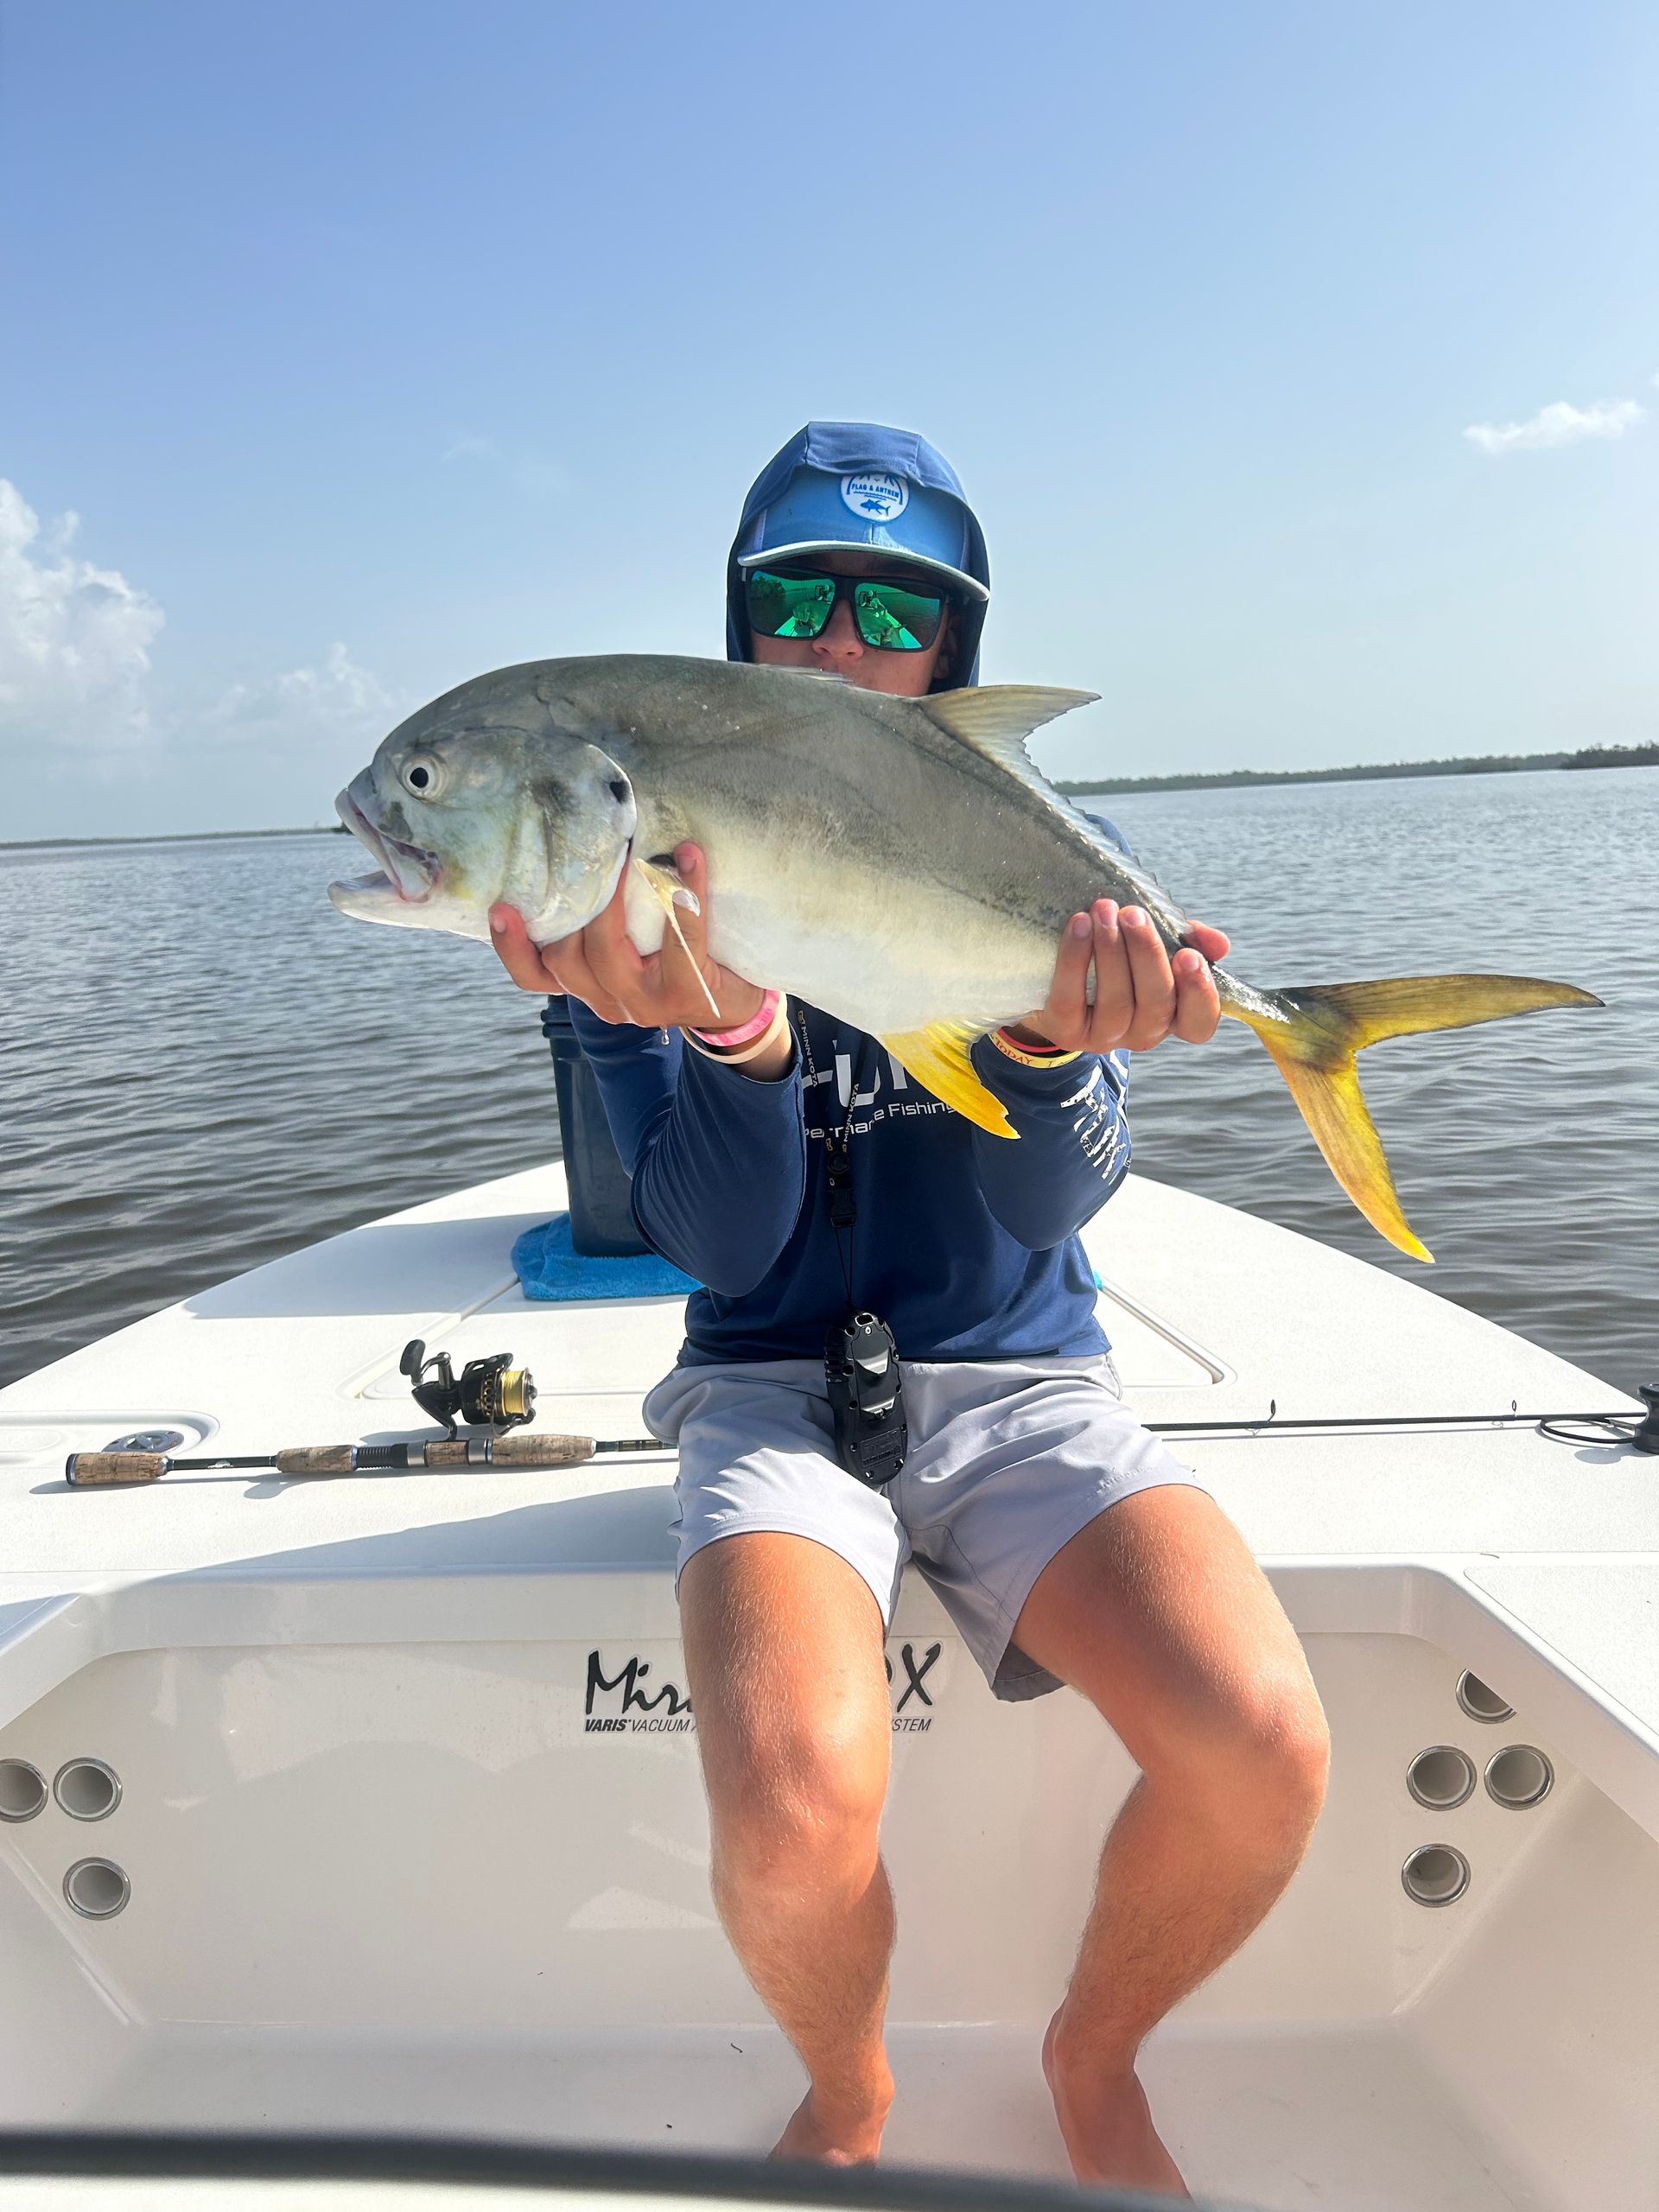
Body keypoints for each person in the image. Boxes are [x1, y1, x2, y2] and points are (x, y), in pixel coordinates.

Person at [489, 423, 1330, 2196]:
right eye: (799, 592)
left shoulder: (1053, 856)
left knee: (1261, 1743)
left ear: (952, 647)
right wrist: (721, 1028)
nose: (846, 633)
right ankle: (853, 2088)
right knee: (792, 1797)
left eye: (897, 604)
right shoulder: (622, 894)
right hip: (772, 1384)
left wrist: (1050, 1043)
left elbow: (1048, 1202)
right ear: (744, 621)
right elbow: (722, 1243)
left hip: (1025, 1367)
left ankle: (1091, 2059)